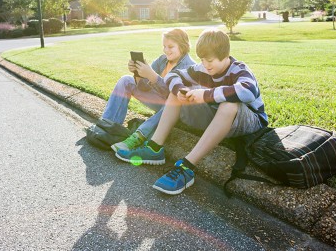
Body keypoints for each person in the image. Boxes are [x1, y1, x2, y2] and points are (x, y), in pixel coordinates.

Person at [115, 28, 268, 195]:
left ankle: (187, 167)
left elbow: (248, 91)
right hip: (219, 118)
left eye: (209, 60)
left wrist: (205, 95)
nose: (205, 65)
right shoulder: (202, 68)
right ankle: (154, 149)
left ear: (225, 55)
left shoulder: (238, 68)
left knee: (229, 104)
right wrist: (181, 90)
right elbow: (172, 77)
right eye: (202, 59)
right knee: (176, 94)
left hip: (250, 121)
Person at [101, 28, 196, 152]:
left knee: (171, 101)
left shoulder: (189, 67)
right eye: (164, 46)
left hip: (175, 109)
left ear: (183, 46)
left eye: (171, 47)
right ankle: (106, 126)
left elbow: (175, 95)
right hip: (158, 100)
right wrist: (138, 73)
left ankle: (138, 136)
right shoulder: (162, 59)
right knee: (126, 80)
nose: (166, 50)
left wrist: (153, 77)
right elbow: (144, 87)